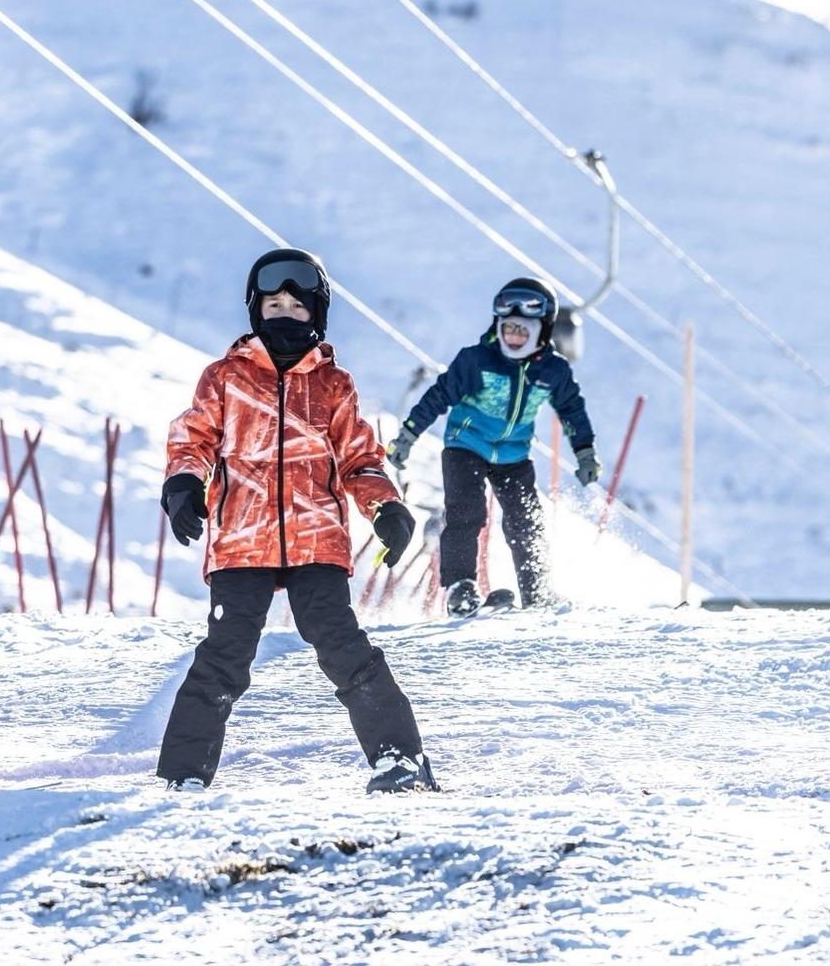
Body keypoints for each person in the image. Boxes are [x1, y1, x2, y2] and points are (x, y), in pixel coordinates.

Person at [156, 248, 438, 794]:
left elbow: (359, 458)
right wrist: (183, 484)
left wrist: (385, 507)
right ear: (255, 311)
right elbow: (193, 440)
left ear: (317, 314)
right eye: (273, 305)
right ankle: (184, 776)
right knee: (224, 655)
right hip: (242, 541)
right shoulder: (225, 378)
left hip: (316, 541)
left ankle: (401, 760)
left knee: (343, 647)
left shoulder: (333, 385)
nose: (285, 314)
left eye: (297, 306)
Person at [388, 278, 597, 616]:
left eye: (522, 331)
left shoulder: (553, 370)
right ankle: (460, 588)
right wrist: (408, 435)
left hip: (514, 454)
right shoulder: (477, 360)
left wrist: (585, 452)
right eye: (508, 328)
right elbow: (438, 396)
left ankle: (536, 591)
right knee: (466, 513)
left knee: (525, 520)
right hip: (465, 445)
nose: (513, 336)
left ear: (542, 330)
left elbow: (572, 409)